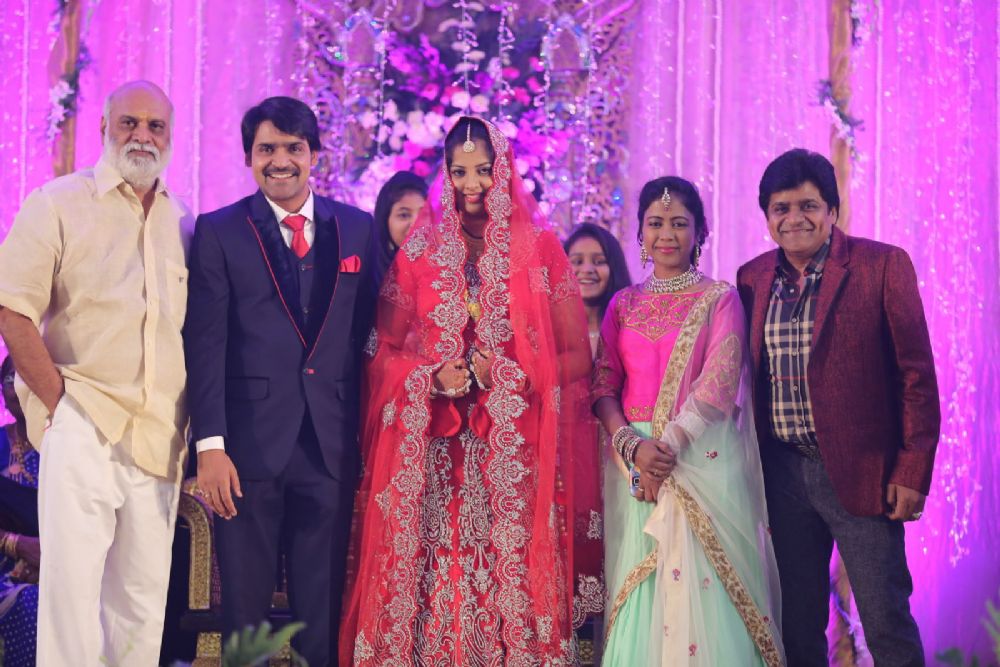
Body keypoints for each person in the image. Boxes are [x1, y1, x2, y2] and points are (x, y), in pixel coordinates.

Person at [340, 117, 603, 665]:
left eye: (483, 169)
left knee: (509, 581)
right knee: (436, 579)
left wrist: (513, 374)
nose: (472, 183)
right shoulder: (422, 249)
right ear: (446, 174)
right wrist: (428, 377)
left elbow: (578, 355)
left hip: (512, 454)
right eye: (459, 172)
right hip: (435, 454)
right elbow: (379, 348)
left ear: (503, 169)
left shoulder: (540, 248)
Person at [0, 80, 192, 665]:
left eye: (155, 126)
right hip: (84, 420)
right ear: (105, 127)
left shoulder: (184, 222)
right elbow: (13, 308)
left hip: (159, 437)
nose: (142, 136)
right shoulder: (57, 203)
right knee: (73, 600)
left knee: (140, 607)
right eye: (129, 122)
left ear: (170, 136)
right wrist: (61, 406)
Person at [184, 96, 373, 665]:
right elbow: (206, 344)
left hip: (330, 446)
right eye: (267, 149)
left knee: (321, 615)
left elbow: (374, 337)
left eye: (294, 147)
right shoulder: (220, 230)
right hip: (245, 450)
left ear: (315, 155)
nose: (281, 161)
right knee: (245, 618)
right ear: (249, 157)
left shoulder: (356, 228)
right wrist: (210, 446)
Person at [737, 148, 939, 666]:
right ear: (767, 217)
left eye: (808, 205)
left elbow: (916, 376)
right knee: (796, 626)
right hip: (781, 476)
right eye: (781, 208)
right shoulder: (752, 278)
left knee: (886, 620)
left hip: (862, 471)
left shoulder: (881, 266)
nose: (795, 218)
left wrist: (912, 470)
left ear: (832, 210)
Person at [594, 176, 784, 666]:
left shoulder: (719, 298)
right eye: (655, 223)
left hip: (698, 457)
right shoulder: (622, 304)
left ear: (700, 232)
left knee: (703, 587)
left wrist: (666, 450)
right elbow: (603, 386)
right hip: (632, 461)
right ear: (640, 232)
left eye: (679, 223)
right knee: (640, 581)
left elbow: (719, 381)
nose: (666, 234)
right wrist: (632, 448)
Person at [0, 355, 40, 666]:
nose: (18, 388)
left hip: (70, 566)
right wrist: (16, 544)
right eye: (10, 379)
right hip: (8, 573)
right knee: (31, 605)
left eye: (25, 377)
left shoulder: (69, 446)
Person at [564, 223, 632, 357]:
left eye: (599, 262)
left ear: (614, 269)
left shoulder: (632, 331)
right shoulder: (551, 333)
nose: (587, 270)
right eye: (577, 262)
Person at [372, 170, 429, 287]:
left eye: (423, 214)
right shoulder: (370, 277)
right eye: (404, 215)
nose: (416, 225)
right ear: (385, 221)